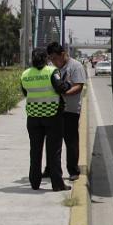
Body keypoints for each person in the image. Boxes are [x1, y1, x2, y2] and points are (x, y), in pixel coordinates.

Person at [20, 48, 72, 192]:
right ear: (46, 59)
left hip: (33, 118)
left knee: (35, 151)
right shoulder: (51, 71)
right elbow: (61, 88)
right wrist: (67, 83)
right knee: (53, 151)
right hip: (52, 115)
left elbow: (25, 92)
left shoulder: (25, 74)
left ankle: (34, 183)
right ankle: (57, 184)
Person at [45, 42, 87, 181]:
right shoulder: (51, 69)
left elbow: (79, 86)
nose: (54, 62)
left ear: (63, 54)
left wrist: (64, 93)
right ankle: (50, 168)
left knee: (71, 141)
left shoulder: (75, 66)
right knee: (52, 142)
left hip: (70, 110)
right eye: (51, 59)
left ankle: (73, 170)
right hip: (54, 110)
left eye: (55, 58)